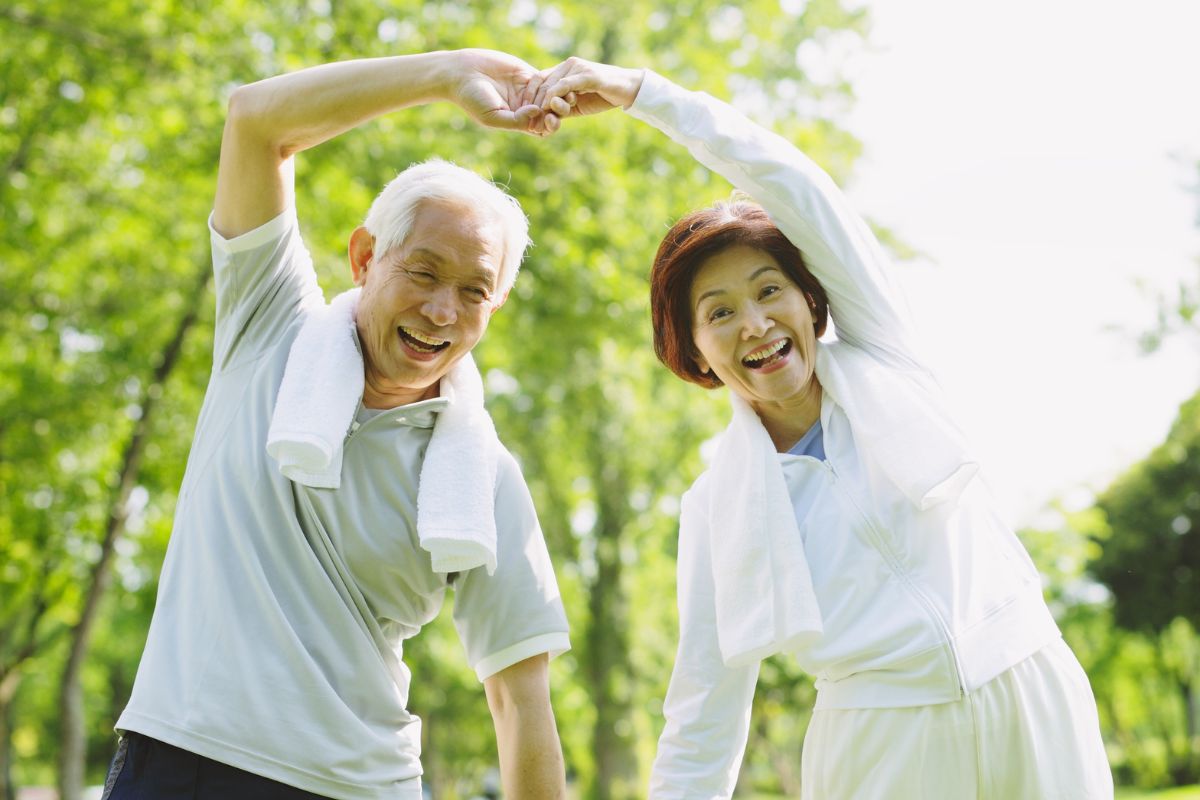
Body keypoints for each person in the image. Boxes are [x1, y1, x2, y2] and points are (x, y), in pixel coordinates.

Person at [526, 59, 1114, 798]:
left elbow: (795, 186)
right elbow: (705, 710)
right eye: (720, 312)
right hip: (883, 746)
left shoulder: (889, 360)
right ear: (695, 352)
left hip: (1029, 692)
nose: (756, 324)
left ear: (812, 302)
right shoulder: (718, 507)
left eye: (769, 291)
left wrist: (647, 96)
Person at [102, 50, 572, 800]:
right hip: (184, 755)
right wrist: (448, 77)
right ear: (364, 257)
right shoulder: (268, 327)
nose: (442, 310)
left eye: (473, 291)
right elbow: (256, 120)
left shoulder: (484, 477)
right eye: (423, 272)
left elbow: (521, 704)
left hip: (362, 785)